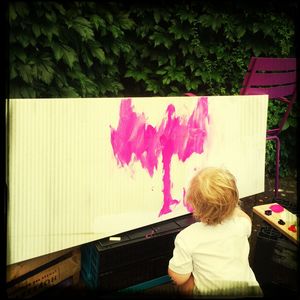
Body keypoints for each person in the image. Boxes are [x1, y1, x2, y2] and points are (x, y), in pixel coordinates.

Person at [168, 167, 263, 297]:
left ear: (194, 205)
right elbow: (245, 218)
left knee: (185, 284)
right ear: (235, 202)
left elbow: (178, 278)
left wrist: (183, 278)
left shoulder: (187, 237)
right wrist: (231, 205)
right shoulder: (241, 225)